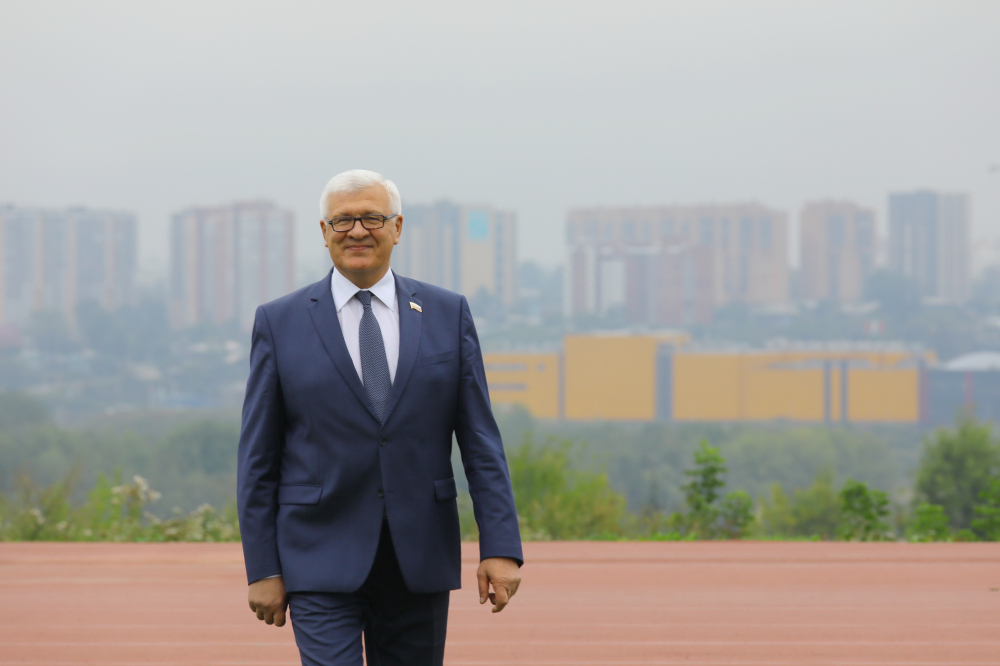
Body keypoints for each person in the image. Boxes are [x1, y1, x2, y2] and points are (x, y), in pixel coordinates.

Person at [237, 169, 523, 666]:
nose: (357, 231)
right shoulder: (280, 322)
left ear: (397, 227)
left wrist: (500, 547)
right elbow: (258, 458)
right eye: (342, 220)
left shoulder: (447, 313)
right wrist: (263, 568)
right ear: (324, 232)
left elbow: (480, 441)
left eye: (372, 218)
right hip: (317, 554)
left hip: (419, 556)